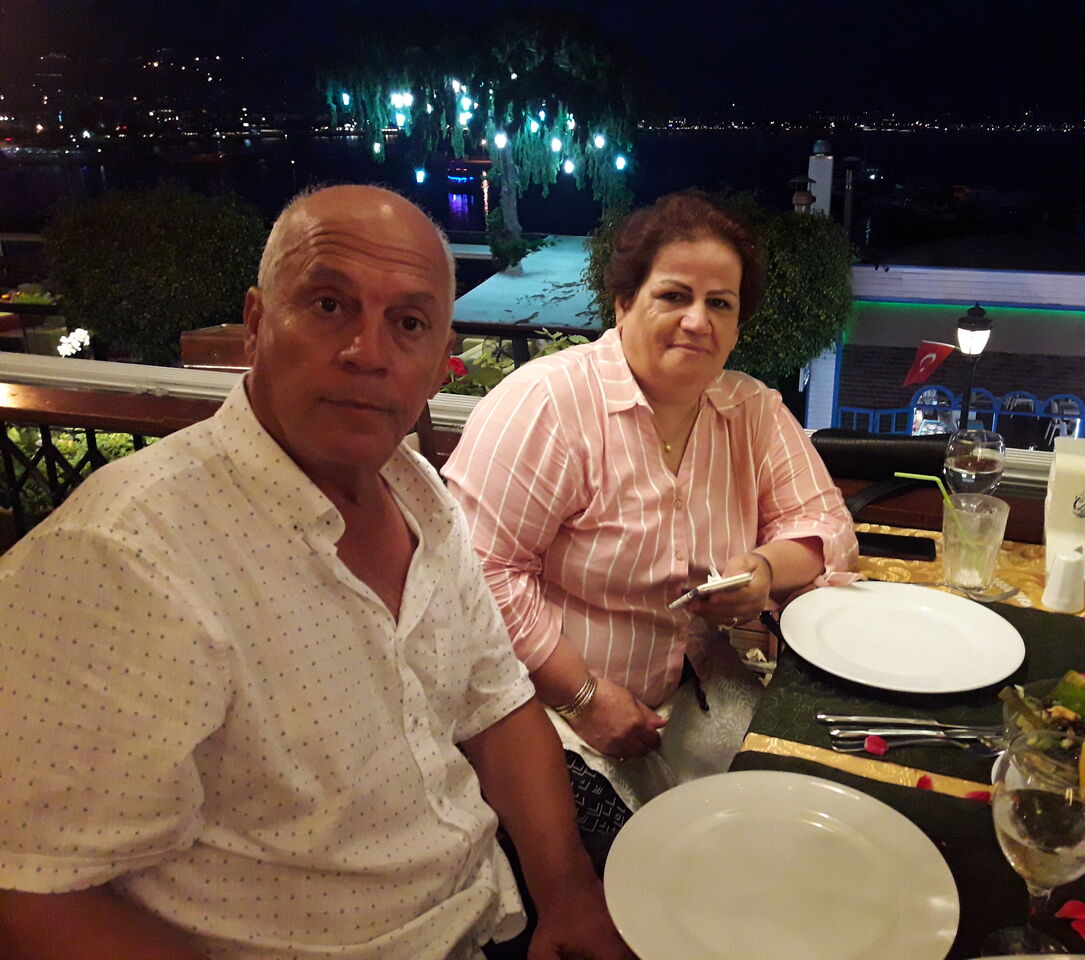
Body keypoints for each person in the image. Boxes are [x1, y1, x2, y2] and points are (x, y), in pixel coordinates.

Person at [0, 185, 631, 960]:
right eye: (329, 305)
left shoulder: (419, 493)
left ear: (440, 363)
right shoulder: (122, 560)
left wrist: (568, 898)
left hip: (487, 911)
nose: (369, 352)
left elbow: (497, 707)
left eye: (408, 323)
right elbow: (30, 894)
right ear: (256, 323)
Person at [443, 191, 857, 855]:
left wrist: (762, 570)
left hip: (693, 694)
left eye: (720, 303)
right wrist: (583, 697)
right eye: (674, 296)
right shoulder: (548, 403)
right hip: (544, 714)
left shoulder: (750, 409)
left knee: (793, 832)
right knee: (651, 870)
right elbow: (479, 572)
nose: (698, 320)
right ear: (623, 303)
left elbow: (825, 525)